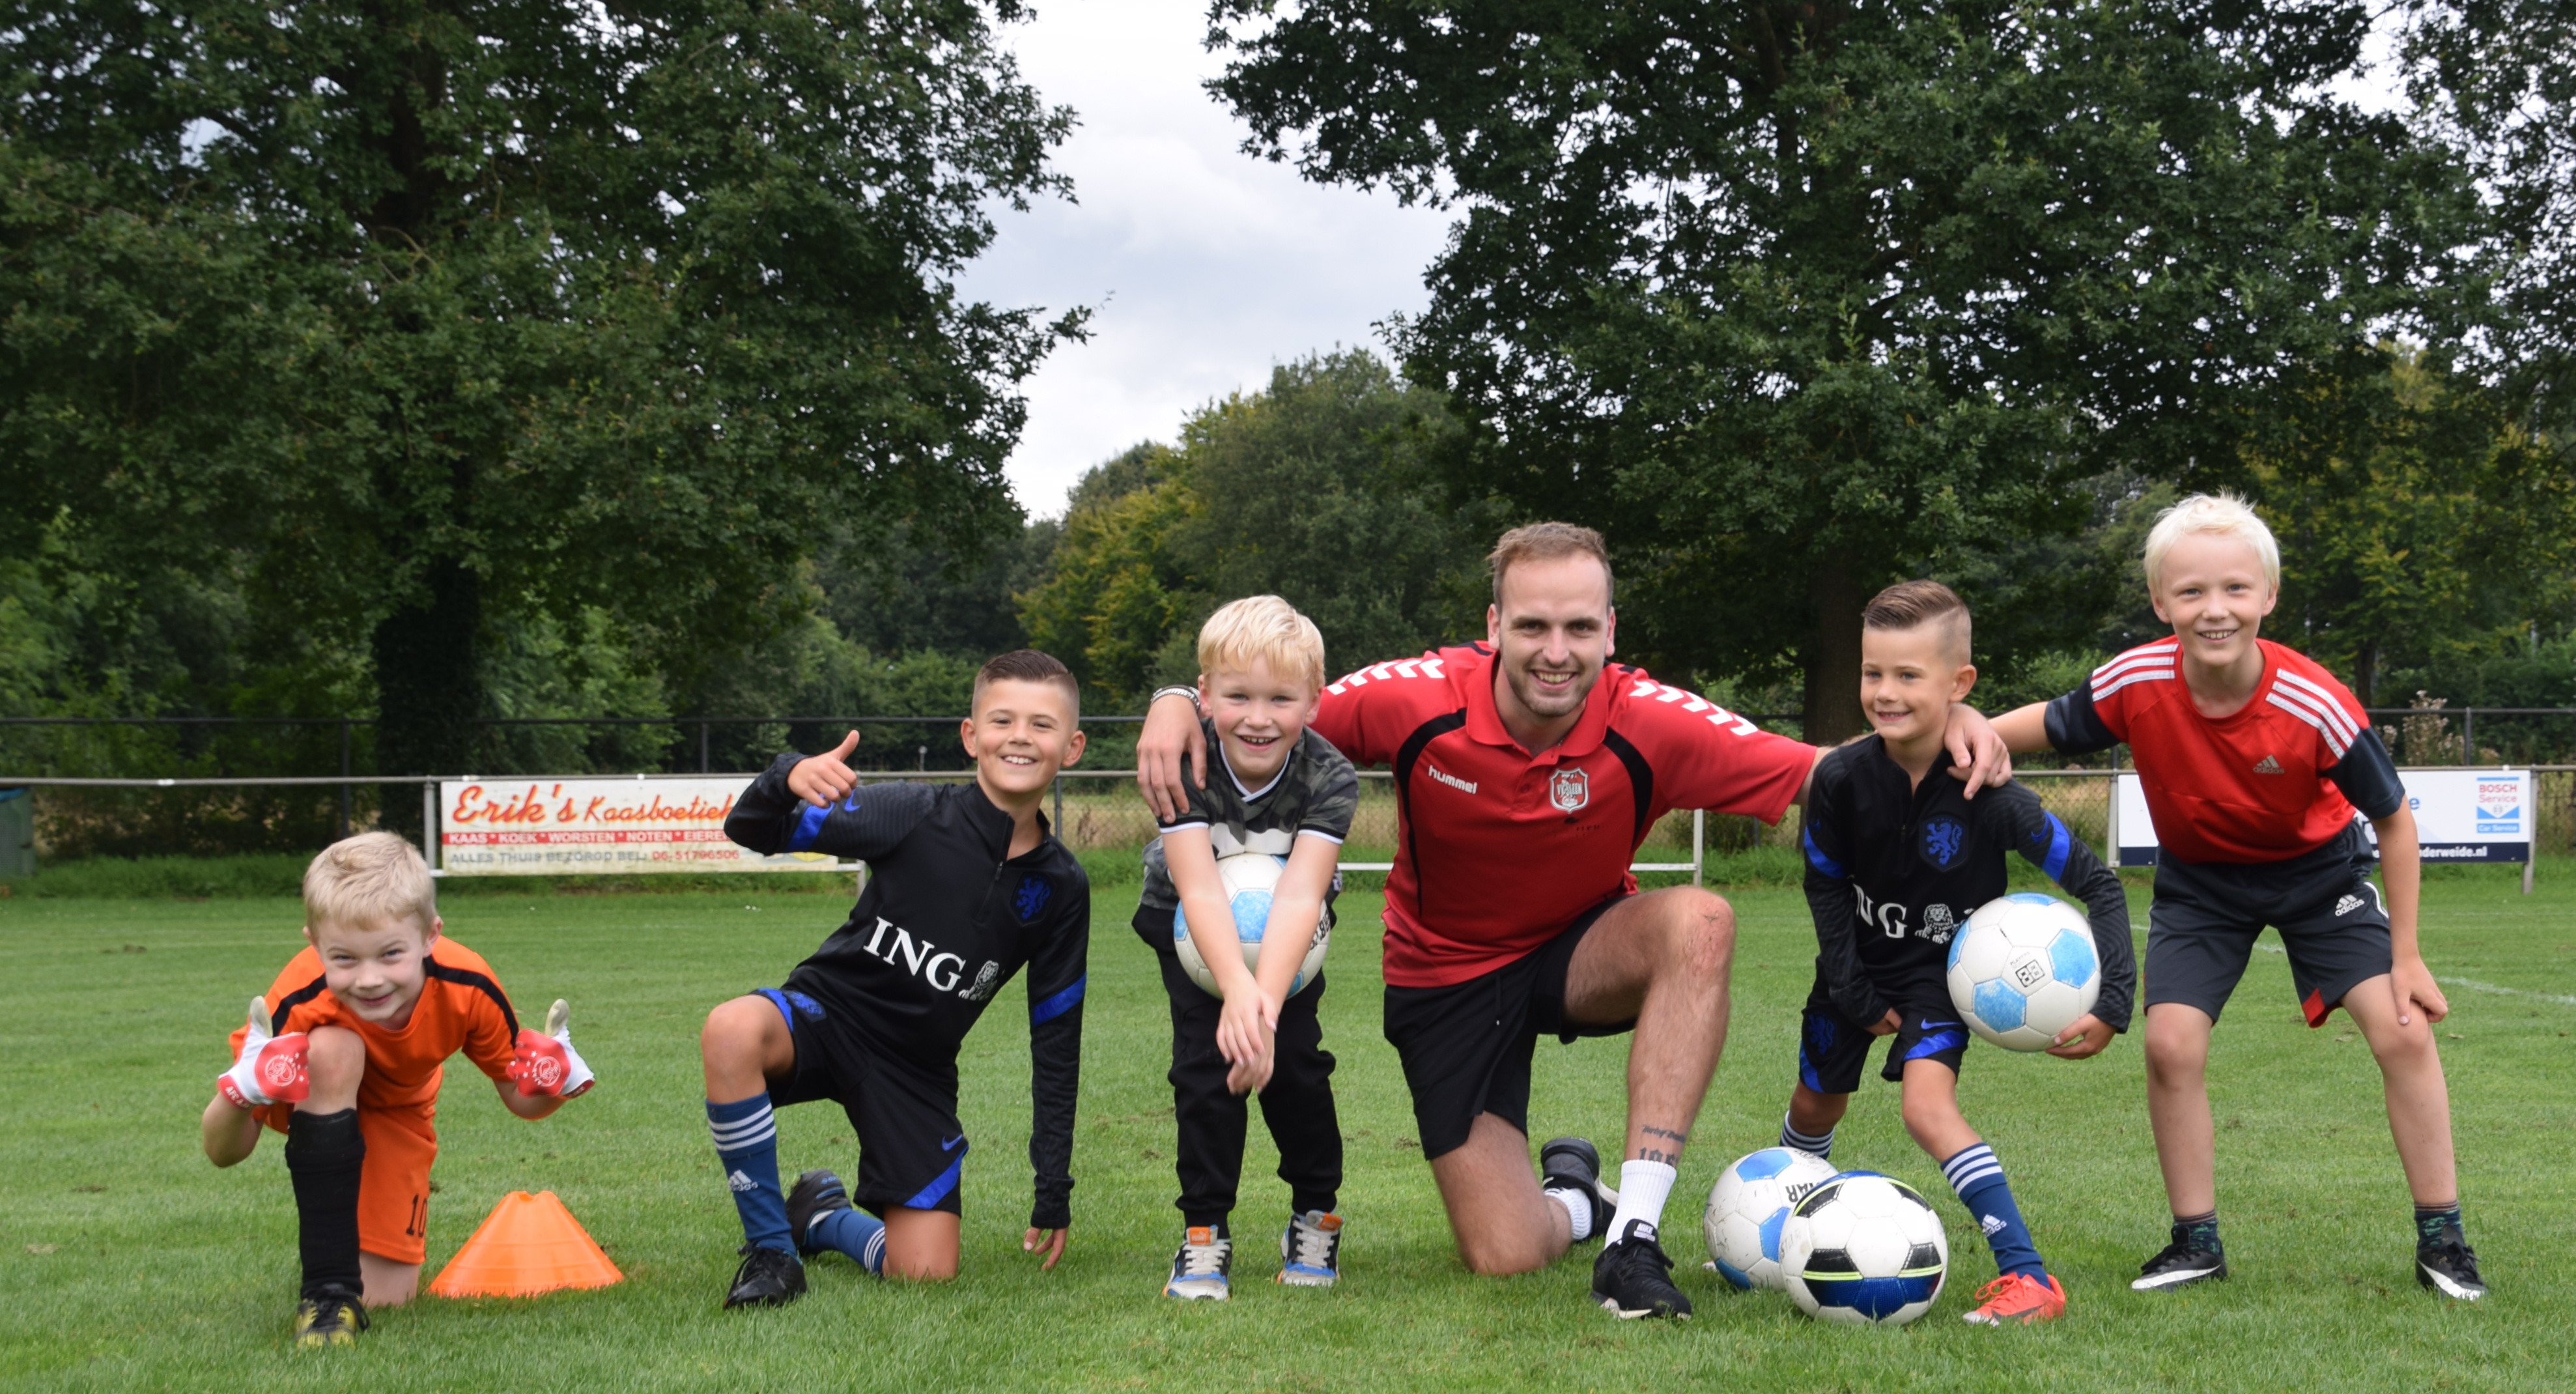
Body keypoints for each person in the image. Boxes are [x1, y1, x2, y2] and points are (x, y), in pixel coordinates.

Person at [1138, 522, 2016, 1320]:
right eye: (1532, 626)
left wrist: (1950, 718)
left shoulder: (1652, 720)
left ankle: (1633, 1237)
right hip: (1446, 979)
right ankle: (1578, 1199)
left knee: (1701, 919)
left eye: (1579, 628)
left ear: (1610, 630)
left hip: (1580, 952)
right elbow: (1271, 699)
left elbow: (1829, 772)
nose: (1555, 653)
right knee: (1506, 1253)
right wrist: (1177, 698)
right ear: (1494, 625)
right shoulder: (1416, 699)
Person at [1989, 494, 2485, 1300]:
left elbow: (2394, 821)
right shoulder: (2135, 680)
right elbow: (2047, 722)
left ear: (2267, 596)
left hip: (2319, 878)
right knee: (2169, 1045)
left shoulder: (2315, 701)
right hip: (2200, 886)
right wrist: (1961, 732)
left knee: (2402, 1031)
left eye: (2233, 589)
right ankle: (2195, 1243)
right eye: (2190, 592)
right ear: (2160, 602)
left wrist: (2407, 956)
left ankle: (2443, 1241)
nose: (2213, 609)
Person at [1785, 580, 2136, 1325]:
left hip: (1941, 982)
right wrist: (1850, 989)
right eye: (1872, 672)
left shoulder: (1994, 798)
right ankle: (1786, 1237)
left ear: (1958, 683)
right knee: (1813, 1102)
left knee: (1925, 1109)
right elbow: (1823, 886)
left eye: (1908, 675)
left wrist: (2112, 1004)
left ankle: (2028, 1277)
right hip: (1851, 971)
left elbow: (2099, 886)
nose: (1884, 692)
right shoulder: (1839, 780)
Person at [703, 649, 1090, 1309]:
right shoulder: (912, 812)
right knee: (731, 1027)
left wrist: (1052, 1185)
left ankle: (819, 1217)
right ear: (971, 735)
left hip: (914, 1073)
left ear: (1073, 748)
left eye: (1042, 725)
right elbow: (750, 828)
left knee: (925, 1272)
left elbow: (1056, 1040)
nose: (1020, 737)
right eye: (1002, 720)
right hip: (825, 1018)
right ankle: (771, 1252)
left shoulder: (1062, 888)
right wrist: (787, 773)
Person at [201, 832, 593, 1348]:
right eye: (344, 959)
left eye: (390, 954)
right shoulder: (297, 995)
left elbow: (520, 1100)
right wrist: (243, 1092)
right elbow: (223, 1151)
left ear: (430, 935)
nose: (369, 979)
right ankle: (326, 1295)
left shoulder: (467, 983)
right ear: (315, 945)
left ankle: (352, 1268)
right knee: (334, 1049)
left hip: (399, 1110)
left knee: (388, 1297)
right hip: (316, 1091)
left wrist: (556, 1080)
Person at [1133, 595, 1358, 1300]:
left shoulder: (1330, 776)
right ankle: (1203, 1232)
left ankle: (1314, 1214)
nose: (1258, 718)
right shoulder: (1186, 763)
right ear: (1204, 695)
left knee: (1295, 1068)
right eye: (1238, 696)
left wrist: (1264, 1004)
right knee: (1206, 1073)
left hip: (1291, 939)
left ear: (1313, 702)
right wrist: (1235, 990)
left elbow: (1300, 894)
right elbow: (1199, 888)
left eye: (1280, 699)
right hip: (1190, 932)